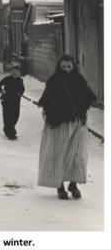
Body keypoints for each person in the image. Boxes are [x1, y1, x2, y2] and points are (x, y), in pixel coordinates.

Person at [37, 53, 97, 200]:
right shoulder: (54, 80)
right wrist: (58, 115)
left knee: (77, 154)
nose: (66, 69)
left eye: (69, 66)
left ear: (74, 66)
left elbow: (88, 97)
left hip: (77, 123)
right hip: (59, 124)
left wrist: (78, 111)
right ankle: (60, 186)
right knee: (59, 154)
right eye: (63, 66)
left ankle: (73, 184)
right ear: (59, 66)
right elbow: (47, 100)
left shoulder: (79, 79)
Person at [0, 62, 25, 140]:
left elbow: (22, 89)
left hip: (16, 101)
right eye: (13, 71)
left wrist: (20, 93)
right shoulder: (7, 79)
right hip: (7, 101)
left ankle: (8, 128)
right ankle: (10, 132)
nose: (15, 73)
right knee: (8, 116)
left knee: (15, 116)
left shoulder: (20, 81)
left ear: (20, 73)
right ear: (11, 71)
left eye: (17, 72)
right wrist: (1, 91)